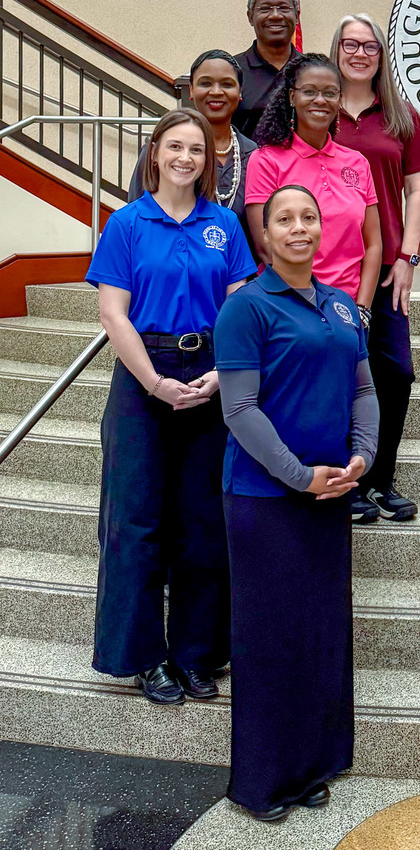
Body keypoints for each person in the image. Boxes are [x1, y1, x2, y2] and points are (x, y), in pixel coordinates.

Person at [215, 184, 378, 822]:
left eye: (308, 217)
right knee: (269, 639)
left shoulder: (340, 308)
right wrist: (297, 475)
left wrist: (361, 455)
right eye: (284, 218)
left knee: (319, 634)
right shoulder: (248, 307)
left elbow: (363, 389)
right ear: (265, 233)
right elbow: (239, 410)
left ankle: (313, 766)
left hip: (331, 492)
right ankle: (260, 783)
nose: (299, 227)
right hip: (265, 500)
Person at [86, 108, 256, 705]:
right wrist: (156, 383)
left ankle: (196, 653)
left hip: (211, 374)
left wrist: (217, 375)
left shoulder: (226, 226)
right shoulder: (127, 224)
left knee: (204, 521)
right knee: (135, 521)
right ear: (154, 154)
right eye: (175, 147)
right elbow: (113, 314)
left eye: (197, 150)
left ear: (210, 162)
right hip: (143, 377)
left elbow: (240, 310)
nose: (186, 158)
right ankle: (143, 657)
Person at [329, 12, 420, 525]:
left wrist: (408, 255)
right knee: (334, 376)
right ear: (336, 50)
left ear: (381, 55)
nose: (359, 53)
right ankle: (343, 478)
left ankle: (379, 479)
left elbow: (416, 188)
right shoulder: (318, 111)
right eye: (350, 44)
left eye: (369, 46)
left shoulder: (400, 115)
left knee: (396, 372)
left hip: (388, 263)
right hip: (327, 269)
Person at [244, 52, 381, 314]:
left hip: (348, 309)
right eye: (310, 91)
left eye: (330, 92)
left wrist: (361, 308)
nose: (320, 100)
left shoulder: (357, 163)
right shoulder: (266, 160)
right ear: (292, 97)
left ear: (340, 99)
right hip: (287, 307)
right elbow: (265, 247)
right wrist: (306, 305)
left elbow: (373, 244)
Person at [128, 50, 258, 255]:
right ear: (191, 90)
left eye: (227, 84)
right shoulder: (162, 153)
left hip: (242, 279)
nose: (216, 92)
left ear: (240, 91)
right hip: (171, 272)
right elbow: (137, 216)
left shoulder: (254, 156)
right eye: (205, 83)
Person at [232, 0, 300, 138]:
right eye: (265, 9)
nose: (275, 16)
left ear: (297, 16)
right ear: (250, 17)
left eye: (284, 8)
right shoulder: (232, 71)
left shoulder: (311, 70)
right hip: (246, 162)